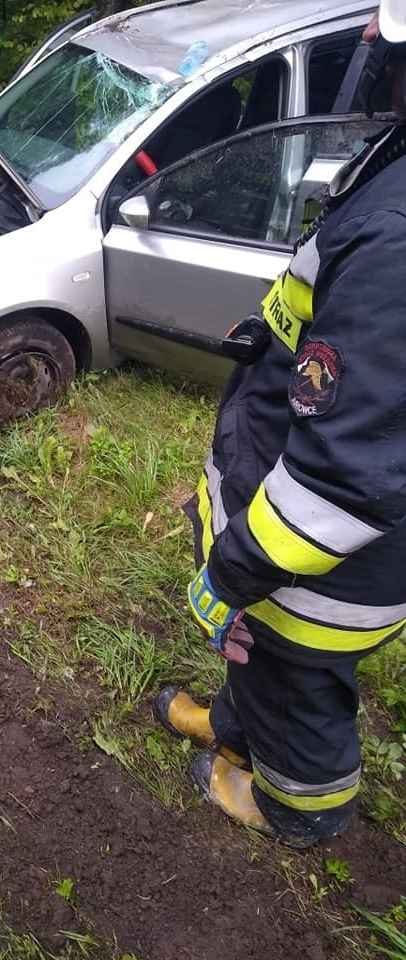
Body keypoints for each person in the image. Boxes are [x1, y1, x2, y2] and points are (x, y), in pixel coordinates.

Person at [153, 0, 406, 848]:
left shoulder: (400, 242)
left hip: (325, 573)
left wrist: (234, 568)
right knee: (260, 655)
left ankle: (299, 803)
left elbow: (348, 473)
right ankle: (236, 729)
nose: (368, 40)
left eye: (388, 32)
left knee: (297, 673)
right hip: (295, 542)